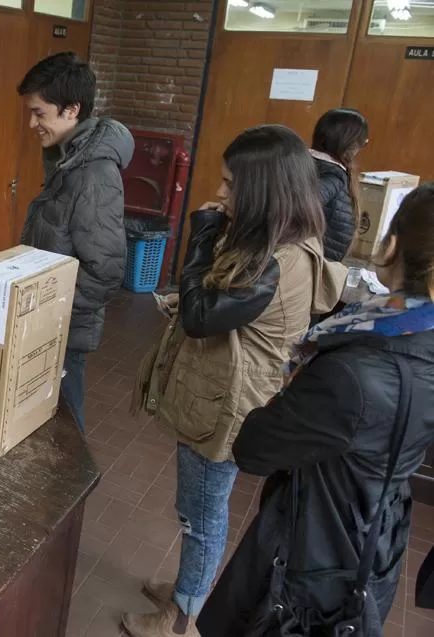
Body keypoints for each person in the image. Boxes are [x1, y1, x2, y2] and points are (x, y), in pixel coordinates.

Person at [126, 125, 346, 637]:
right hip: (226, 393)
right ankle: (188, 589)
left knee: (201, 515)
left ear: (265, 190)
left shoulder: (276, 261)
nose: (221, 193)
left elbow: (203, 315)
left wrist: (200, 237)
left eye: (231, 184)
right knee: (196, 506)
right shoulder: (280, 238)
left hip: (228, 406)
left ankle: (182, 617)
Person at [197, 183, 434, 636]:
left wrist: (292, 385)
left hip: (318, 547)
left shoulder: (355, 372)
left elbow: (254, 449)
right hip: (377, 535)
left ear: (392, 245)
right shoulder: (407, 334)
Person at [17, 51, 133, 432]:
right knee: (46, 415)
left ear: (72, 109)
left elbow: (105, 270)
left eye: (39, 113)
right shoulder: (67, 158)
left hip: (63, 326)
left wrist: (51, 309)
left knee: (66, 423)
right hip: (47, 320)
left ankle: (74, 491)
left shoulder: (94, 173)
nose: (32, 123)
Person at [311, 108, 369, 262]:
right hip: (317, 261)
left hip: (317, 258)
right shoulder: (332, 175)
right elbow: (300, 207)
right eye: (363, 141)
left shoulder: (310, 163)